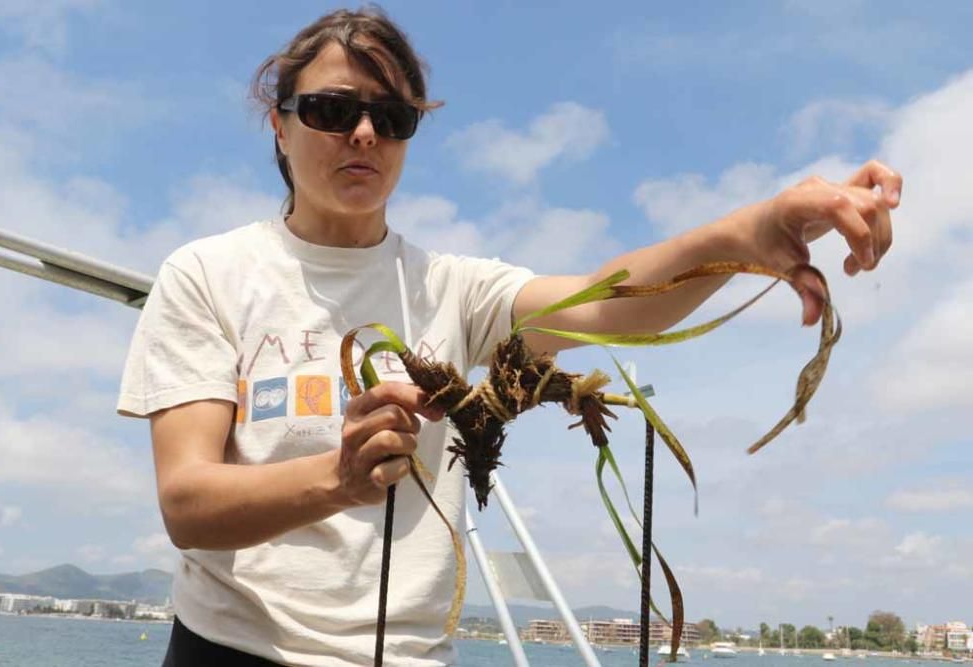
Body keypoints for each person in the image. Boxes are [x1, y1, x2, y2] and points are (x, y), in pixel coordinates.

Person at [117, 7, 902, 667]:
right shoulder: (209, 274)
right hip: (232, 647)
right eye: (331, 109)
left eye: (390, 120)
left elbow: (611, 303)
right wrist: (339, 477)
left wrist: (749, 231)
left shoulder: (453, 288)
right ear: (280, 125)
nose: (362, 134)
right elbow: (188, 501)